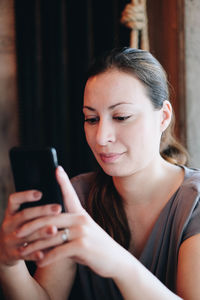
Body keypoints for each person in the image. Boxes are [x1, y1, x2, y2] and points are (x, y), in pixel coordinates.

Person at [0, 47, 200, 300]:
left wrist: (117, 261)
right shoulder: (78, 196)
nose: (102, 137)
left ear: (163, 117)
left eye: (121, 116)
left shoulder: (194, 204)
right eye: (91, 119)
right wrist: (8, 264)